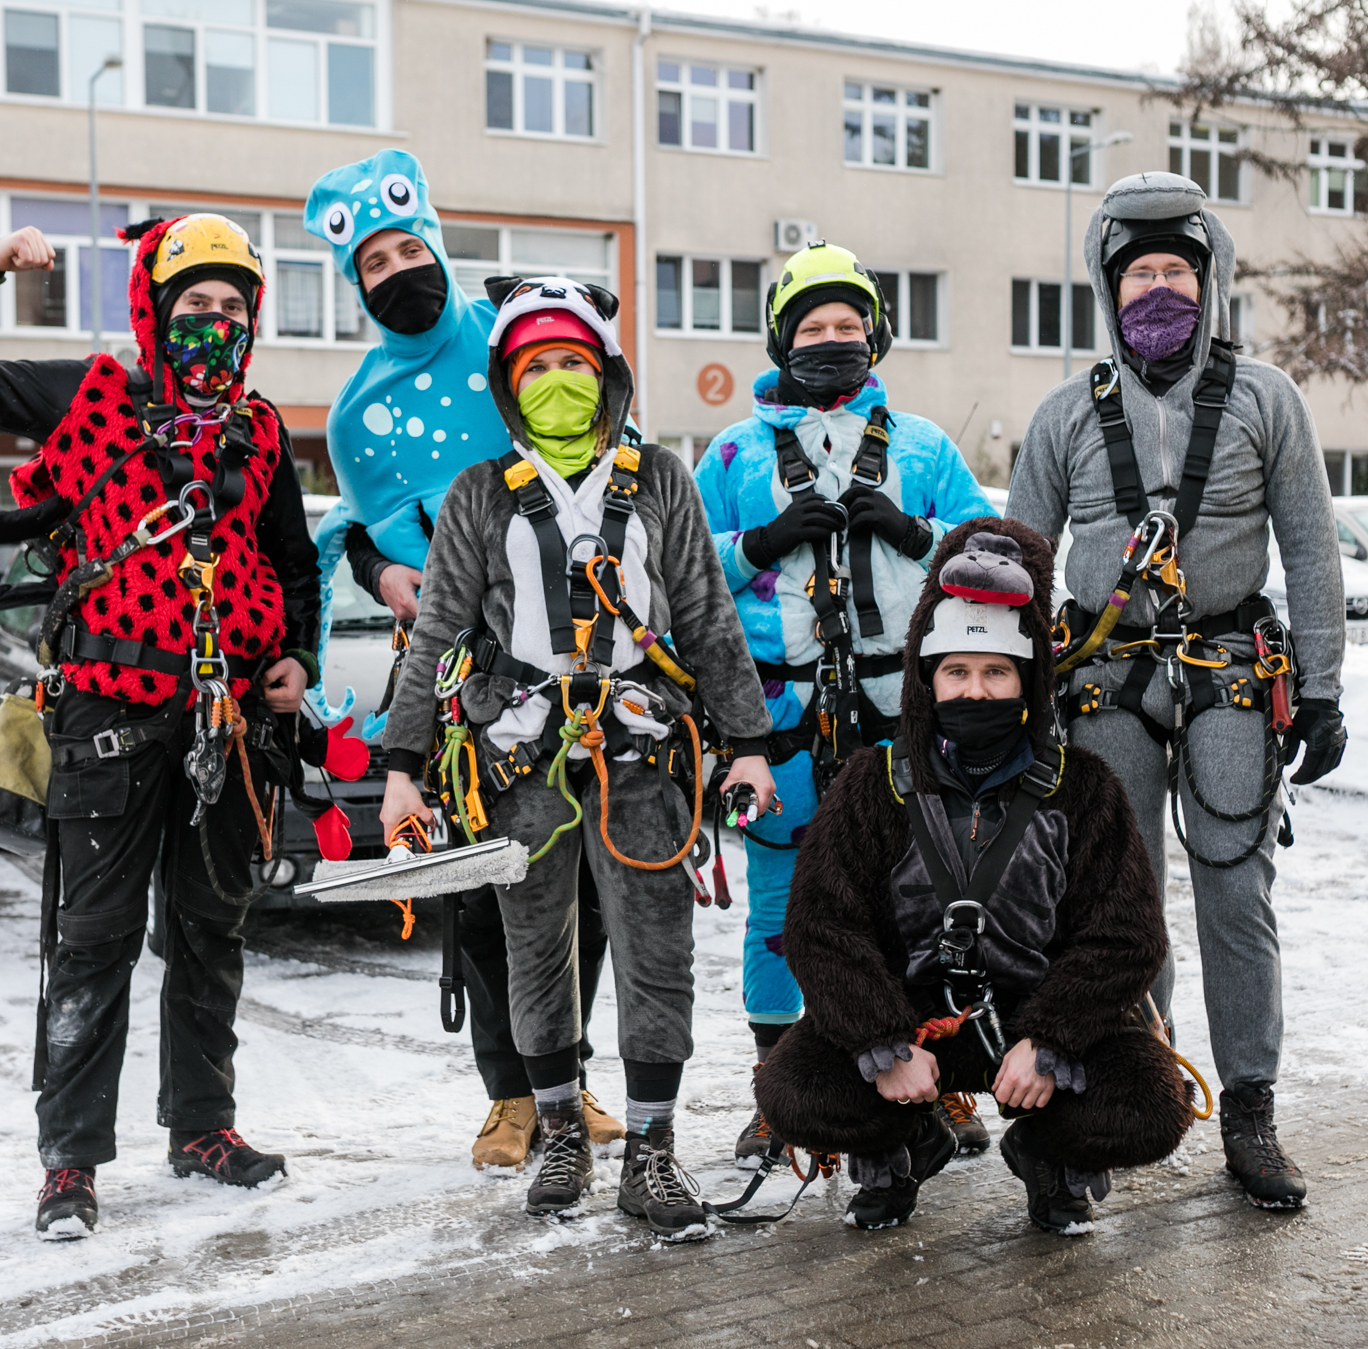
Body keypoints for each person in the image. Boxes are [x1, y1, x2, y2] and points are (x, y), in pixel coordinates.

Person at [0, 215, 321, 1239]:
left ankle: (202, 1128)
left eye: (230, 309)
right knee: (92, 942)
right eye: (192, 308)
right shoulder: (85, 396)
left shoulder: (259, 432)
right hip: (108, 718)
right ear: (154, 313)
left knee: (210, 932)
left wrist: (294, 654)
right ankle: (70, 1162)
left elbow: (290, 559)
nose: (211, 326)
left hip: (227, 719)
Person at [377, 276, 778, 1239]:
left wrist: (751, 747)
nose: (558, 382)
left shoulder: (663, 482)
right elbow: (434, 633)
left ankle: (650, 1149)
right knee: (536, 950)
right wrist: (402, 766)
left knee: (657, 950)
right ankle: (560, 1126)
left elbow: (711, 621)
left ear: (608, 377)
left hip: (643, 760)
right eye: (537, 368)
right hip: (520, 762)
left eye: (573, 364)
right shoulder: (480, 495)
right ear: (509, 387)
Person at [1007, 170, 1349, 1211]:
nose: (1158, 289)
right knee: (1119, 906)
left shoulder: (1265, 399)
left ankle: (1249, 1108)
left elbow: (1310, 545)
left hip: (1228, 678)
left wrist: (1323, 689)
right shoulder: (1065, 412)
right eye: (1138, 272)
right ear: (1107, 291)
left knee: (1235, 895)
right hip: (1103, 683)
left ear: (1210, 281)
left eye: (1175, 271)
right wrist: (1008, 702)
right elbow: (1018, 558)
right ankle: (1126, 1097)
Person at [301, 150, 623, 1170]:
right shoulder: (358, 417)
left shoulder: (521, 336)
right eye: (373, 263)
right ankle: (512, 1097)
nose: (399, 272)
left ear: (436, 243)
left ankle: (568, 1077)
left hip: (581, 660)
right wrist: (380, 570)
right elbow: (374, 539)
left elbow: (619, 458)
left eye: (409, 248)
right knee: (485, 884)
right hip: (465, 688)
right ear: (354, 285)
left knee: (587, 878)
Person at [754, 518, 1192, 1234]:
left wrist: (1054, 1039)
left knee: (1148, 1104)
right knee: (794, 1089)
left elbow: (1127, 937)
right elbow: (820, 926)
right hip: (914, 1014)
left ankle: (1047, 1155)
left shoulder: (1082, 787)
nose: (976, 691)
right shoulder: (875, 782)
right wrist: (881, 1042)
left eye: (996, 673)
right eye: (957, 671)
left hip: (1032, 1012)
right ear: (928, 678)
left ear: (1027, 681)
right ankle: (902, 1143)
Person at [693, 242, 995, 1162]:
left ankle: (936, 1077)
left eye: (849, 328)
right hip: (779, 723)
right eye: (814, 329)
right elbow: (678, 570)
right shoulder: (735, 452)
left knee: (921, 898)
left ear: (878, 337)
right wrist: (758, 543)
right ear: (782, 339)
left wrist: (917, 533)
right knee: (782, 906)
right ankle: (779, 1087)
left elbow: (995, 553)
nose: (833, 342)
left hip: (899, 712)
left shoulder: (923, 447)